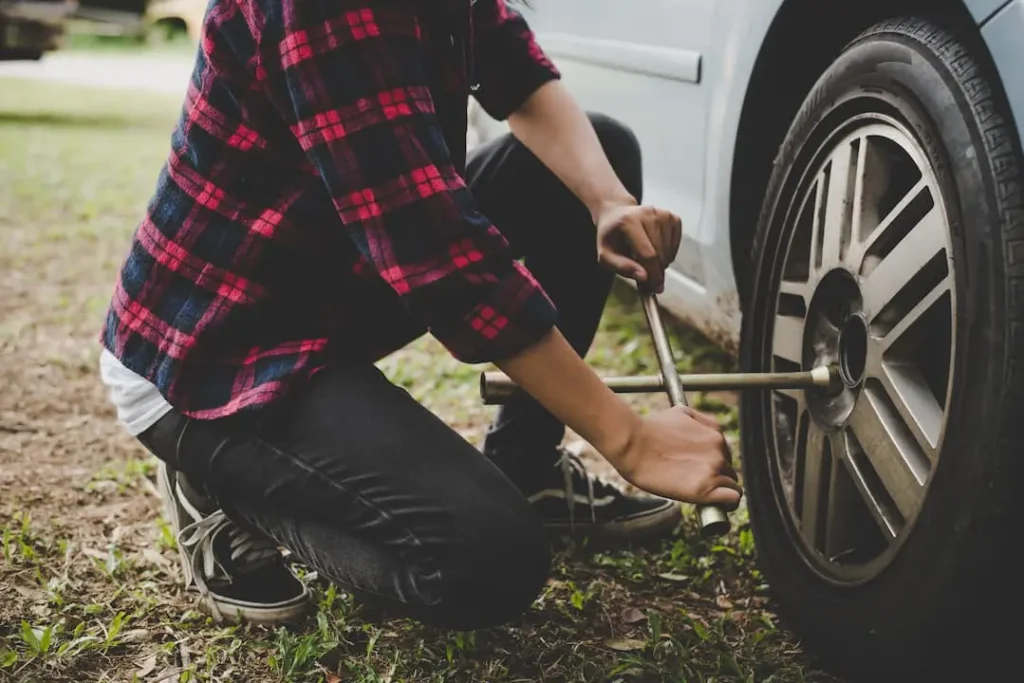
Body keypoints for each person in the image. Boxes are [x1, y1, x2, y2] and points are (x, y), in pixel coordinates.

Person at [98, 0, 743, 630]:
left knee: (596, 155)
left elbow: (510, 62)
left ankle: (526, 470)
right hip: (212, 350)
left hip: (327, 279)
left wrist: (606, 202)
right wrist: (630, 439)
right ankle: (220, 482)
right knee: (489, 561)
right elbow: (442, 262)